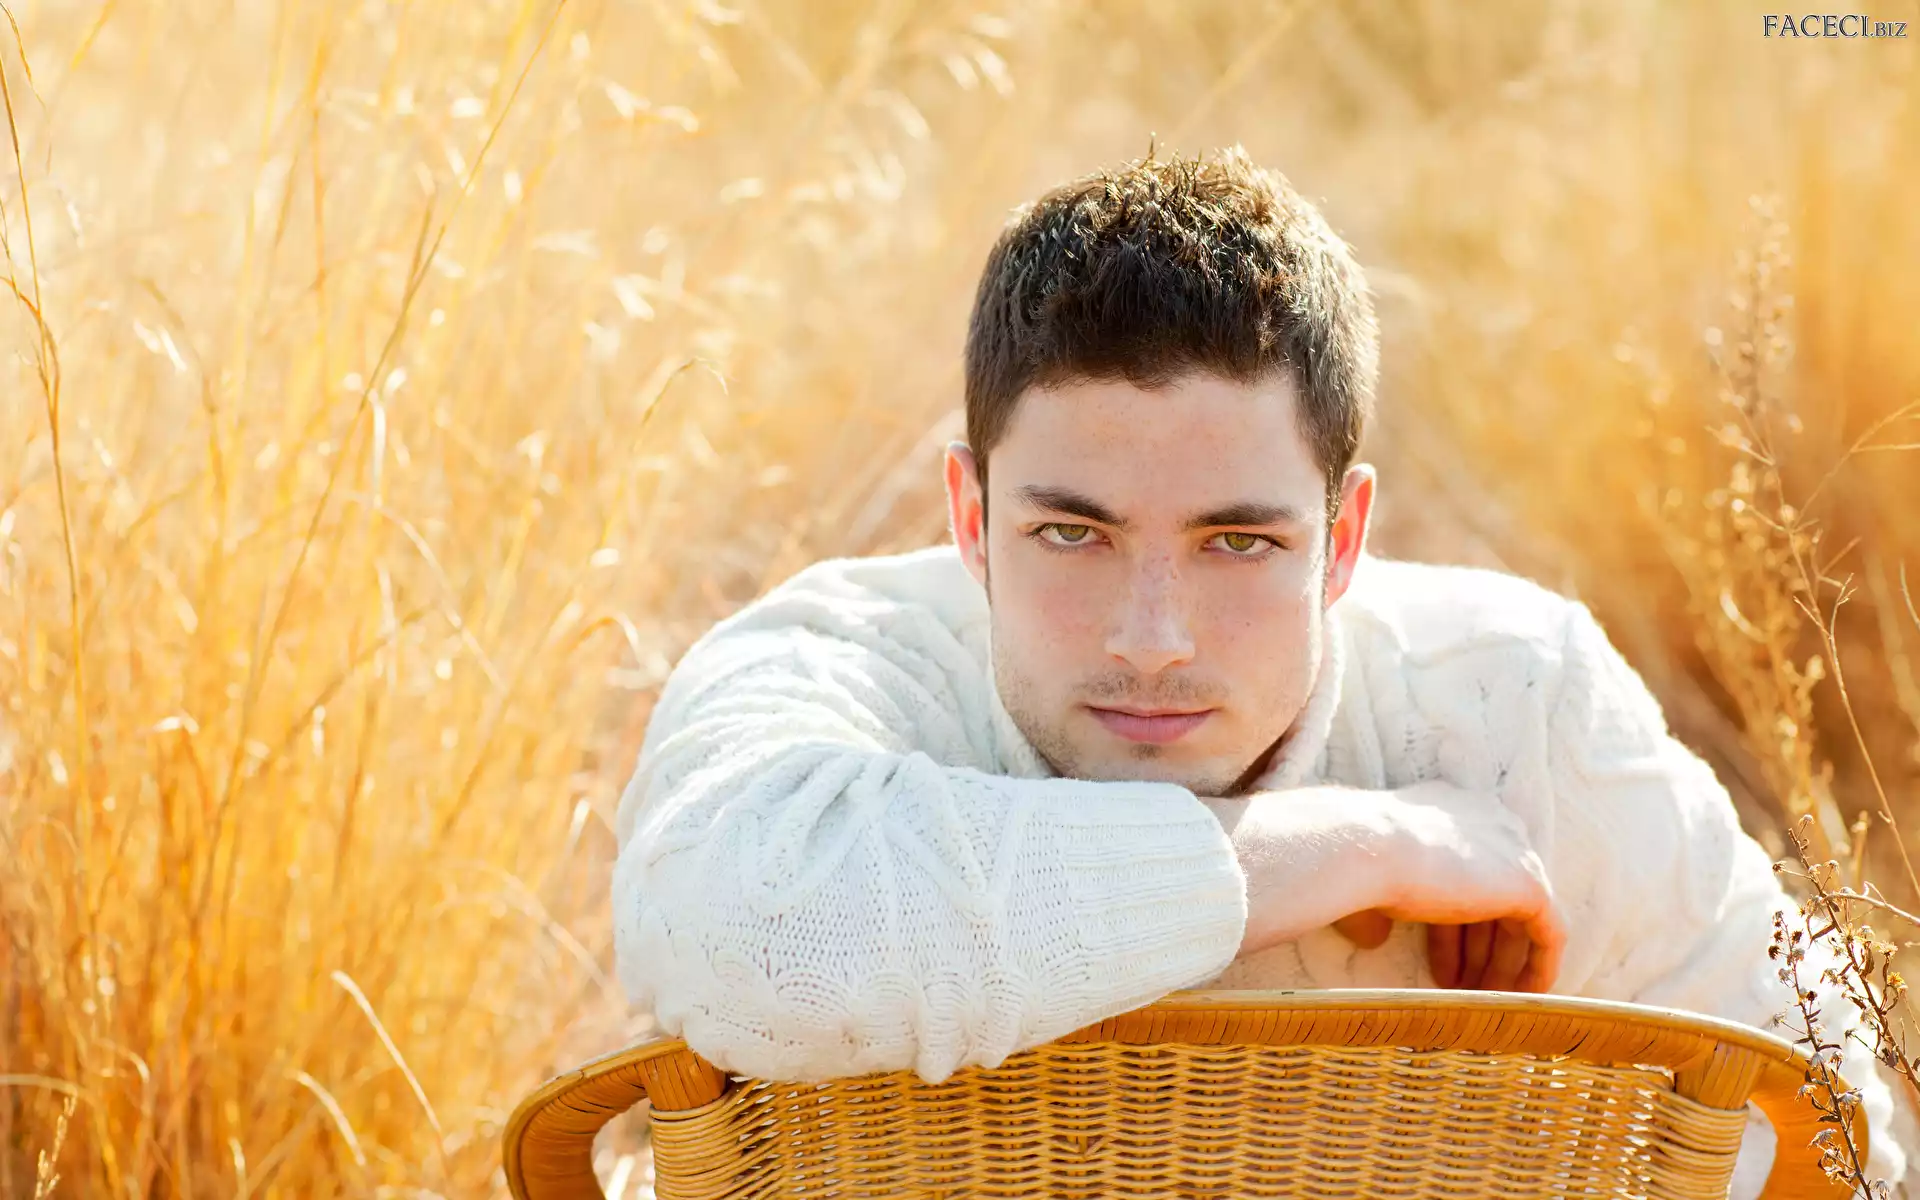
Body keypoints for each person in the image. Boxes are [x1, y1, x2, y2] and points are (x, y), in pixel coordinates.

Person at [610, 146, 1905, 1193]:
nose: (1152, 639)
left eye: (1238, 542)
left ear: (1343, 539)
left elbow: (1833, 1122)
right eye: (1072, 534)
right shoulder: (842, 662)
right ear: (969, 516)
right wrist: (1348, 847)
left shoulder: (1509, 703)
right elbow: (737, 933)